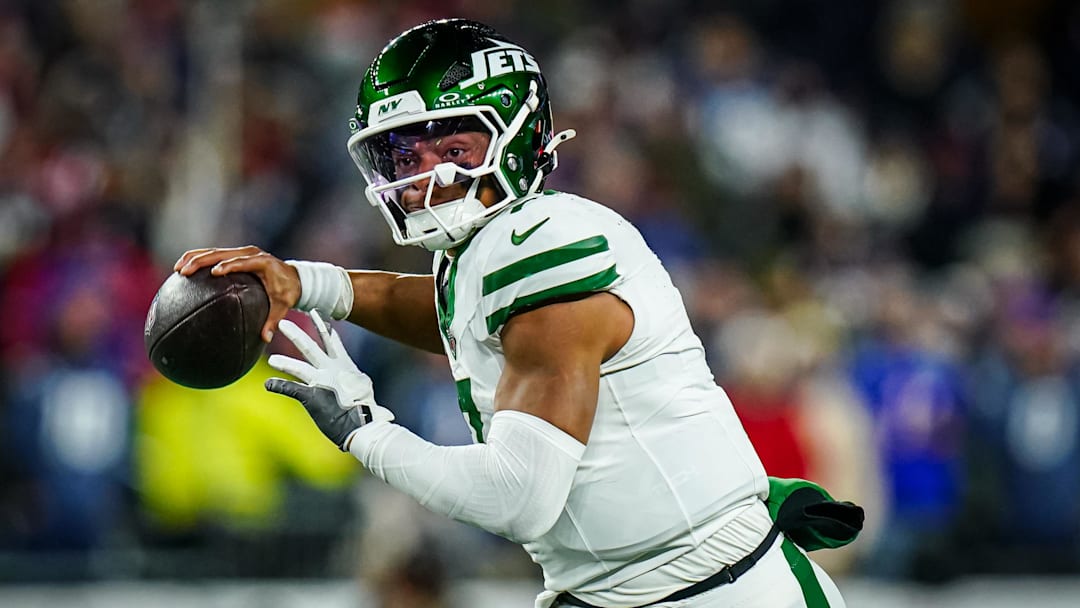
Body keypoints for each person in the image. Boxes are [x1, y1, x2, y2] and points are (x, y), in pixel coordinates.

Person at [175, 18, 852, 607]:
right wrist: (310, 282)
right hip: (634, 591)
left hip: (718, 594)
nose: (426, 176)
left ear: (519, 139)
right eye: (404, 154)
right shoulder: (490, 251)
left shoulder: (546, 247)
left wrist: (365, 432)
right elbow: (462, 317)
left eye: (454, 150)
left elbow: (519, 498)